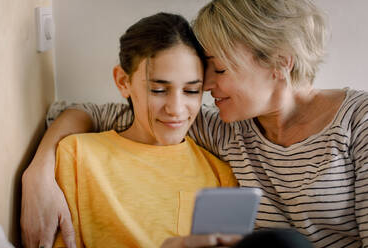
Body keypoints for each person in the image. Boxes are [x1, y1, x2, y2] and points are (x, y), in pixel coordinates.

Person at [21, 0, 368, 247]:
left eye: (218, 69)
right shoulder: (226, 128)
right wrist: (38, 171)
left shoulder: (358, 121)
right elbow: (87, 112)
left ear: (278, 62)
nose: (206, 87)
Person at [29, 12, 240, 248]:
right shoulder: (76, 156)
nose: (176, 109)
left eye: (191, 91)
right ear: (123, 82)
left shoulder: (221, 176)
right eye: (159, 90)